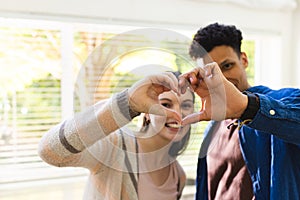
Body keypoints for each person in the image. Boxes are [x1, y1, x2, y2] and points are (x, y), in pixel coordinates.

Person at [178, 23, 300, 200]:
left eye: (227, 66)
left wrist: (246, 107)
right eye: (212, 73)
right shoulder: (212, 128)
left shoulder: (284, 101)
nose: (222, 79)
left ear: (244, 60)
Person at [38, 71, 195, 200]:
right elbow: (50, 151)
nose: (178, 113)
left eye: (186, 105)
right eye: (166, 104)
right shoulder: (115, 147)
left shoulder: (177, 176)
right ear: (147, 113)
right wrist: (128, 104)